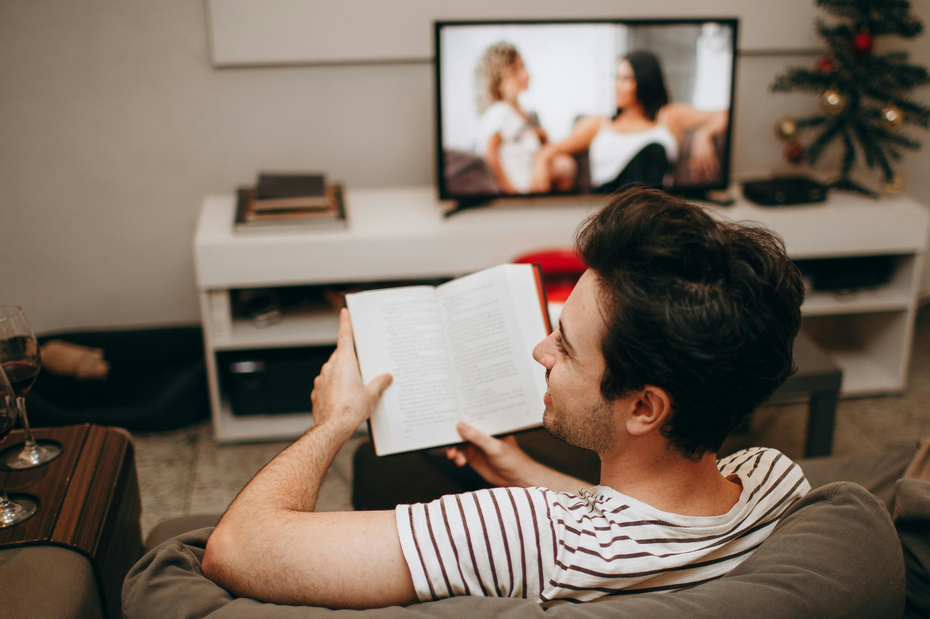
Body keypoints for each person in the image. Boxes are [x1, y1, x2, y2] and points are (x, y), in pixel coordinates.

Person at [201, 188, 809, 609]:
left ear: (644, 408)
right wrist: (526, 471)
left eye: (566, 348)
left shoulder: (528, 533)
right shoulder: (778, 482)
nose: (541, 352)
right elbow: (644, 525)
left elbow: (235, 550)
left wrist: (332, 423)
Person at [529, 51, 729, 193]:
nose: (617, 85)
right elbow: (553, 149)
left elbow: (726, 113)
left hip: (650, 211)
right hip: (610, 206)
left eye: (626, 79)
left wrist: (705, 134)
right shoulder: (599, 124)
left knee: (654, 151)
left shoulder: (669, 117)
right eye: (615, 78)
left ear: (644, 81)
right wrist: (541, 161)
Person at [474, 42, 576, 194]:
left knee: (566, 164)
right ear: (499, 80)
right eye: (516, 70)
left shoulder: (524, 115)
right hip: (521, 184)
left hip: (533, 177)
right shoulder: (500, 111)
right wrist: (509, 191)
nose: (525, 74)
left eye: (523, 67)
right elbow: (490, 152)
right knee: (566, 165)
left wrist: (540, 137)